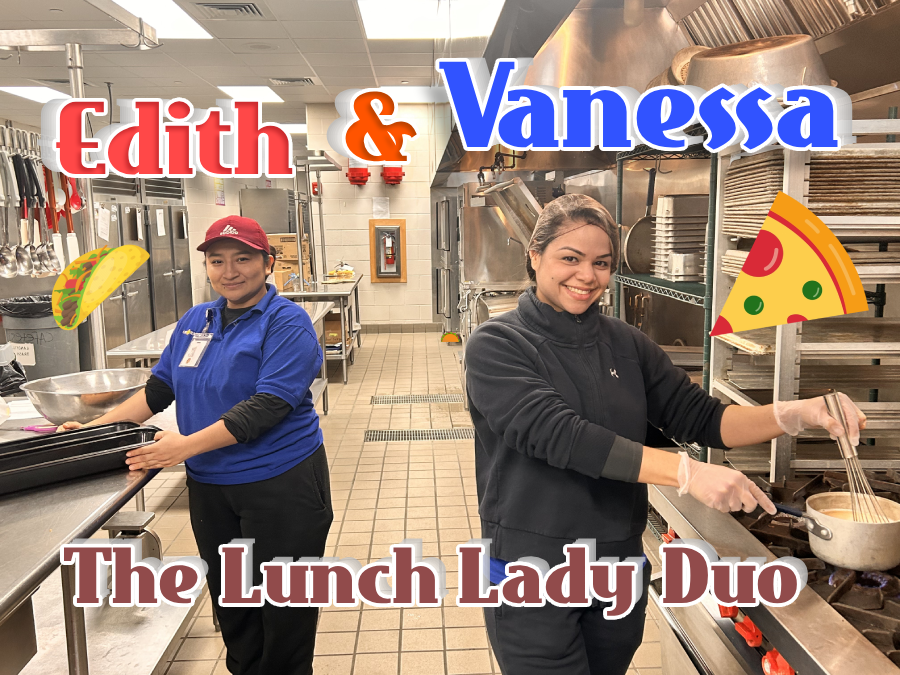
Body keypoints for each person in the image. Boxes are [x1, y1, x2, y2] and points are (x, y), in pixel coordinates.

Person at [464, 194, 866, 675]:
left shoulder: (626, 344)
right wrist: (683, 471)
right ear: (535, 257)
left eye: (601, 263)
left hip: (615, 560)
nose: (586, 276)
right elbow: (558, 434)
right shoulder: (498, 345)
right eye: (569, 259)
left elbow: (704, 419)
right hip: (531, 565)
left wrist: (797, 413)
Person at [59, 215, 331, 675]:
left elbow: (266, 406)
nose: (230, 271)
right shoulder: (195, 320)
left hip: (282, 485)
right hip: (211, 487)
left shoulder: (287, 323)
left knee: (283, 612)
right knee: (232, 603)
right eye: (218, 261)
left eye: (243, 258)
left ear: (267, 263)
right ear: (206, 267)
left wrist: (182, 447)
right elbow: (157, 391)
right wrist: (95, 431)